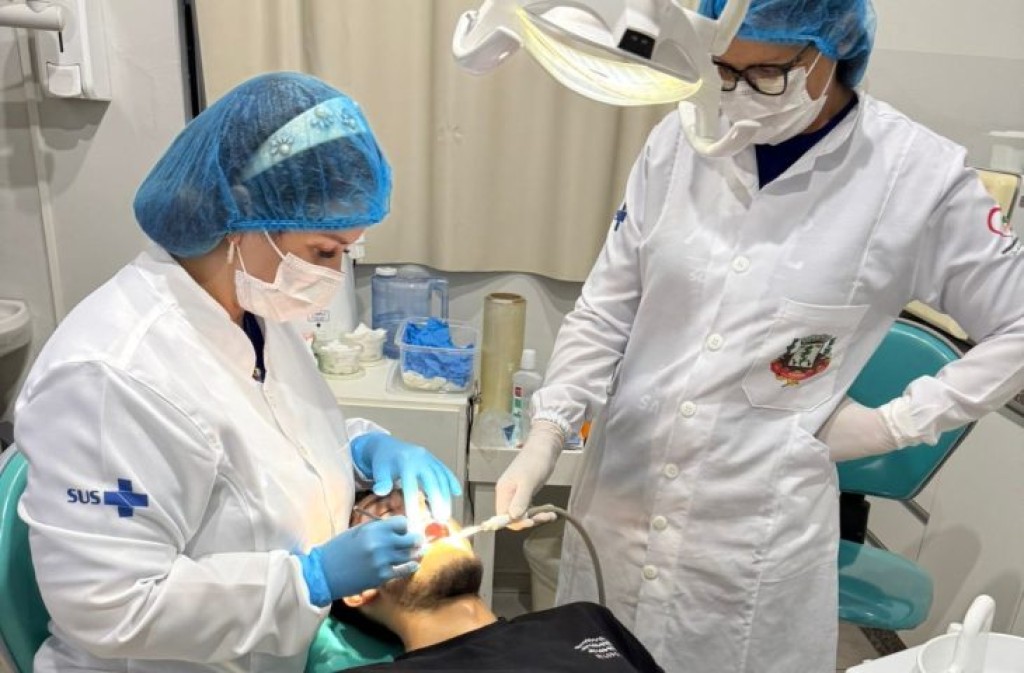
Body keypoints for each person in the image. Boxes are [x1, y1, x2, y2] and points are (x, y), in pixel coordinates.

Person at [494, 1, 1024, 671]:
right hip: (623, 498)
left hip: (751, 537)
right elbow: (606, 308)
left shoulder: (917, 177)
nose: (737, 95)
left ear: (832, 53)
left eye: (767, 73)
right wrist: (548, 431)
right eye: (722, 69)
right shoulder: (680, 139)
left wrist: (895, 424)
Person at [14, 72, 461, 673]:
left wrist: (361, 450)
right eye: (324, 251)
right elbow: (111, 607)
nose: (333, 276)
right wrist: (310, 579)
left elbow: (269, 437)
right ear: (242, 215)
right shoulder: (110, 377)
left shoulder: (254, 311)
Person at [326, 490, 664, 672]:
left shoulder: (584, 621)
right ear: (358, 589)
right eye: (389, 516)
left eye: (425, 505)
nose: (425, 518)